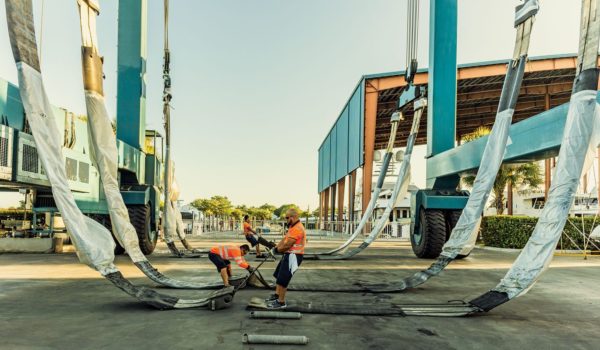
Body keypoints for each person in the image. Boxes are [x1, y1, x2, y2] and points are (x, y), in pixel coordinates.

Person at [266, 208, 306, 309]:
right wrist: (275, 248)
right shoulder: (292, 227)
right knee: (278, 276)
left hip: (294, 256)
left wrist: (276, 251)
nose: (286, 220)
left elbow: (287, 245)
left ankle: (281, 302)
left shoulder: (297, 228)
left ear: (293, 217)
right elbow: (284, 239)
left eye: (287, 218)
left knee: (283, 279)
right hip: (289, 255)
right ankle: (277, 296)